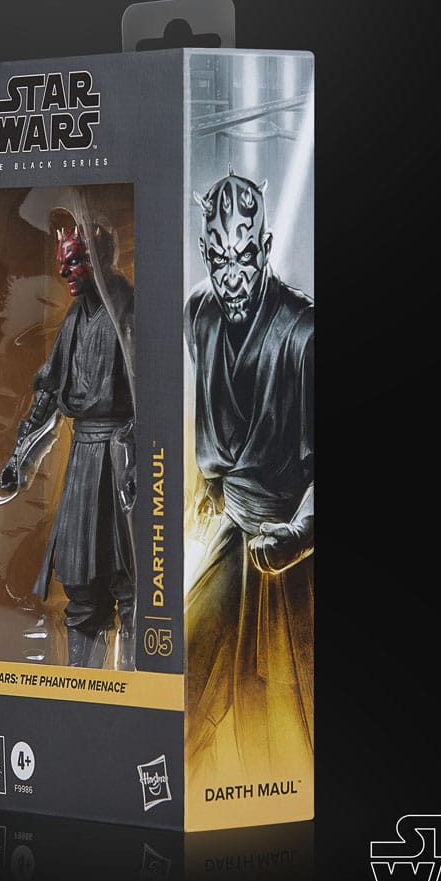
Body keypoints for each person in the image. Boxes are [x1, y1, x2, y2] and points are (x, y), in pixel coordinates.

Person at [185, 169, 314, 775]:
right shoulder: (198, 314)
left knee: (285, 730)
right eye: (219, 259)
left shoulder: (303, 332)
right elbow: (209, 425)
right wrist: (208, 490)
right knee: (188, 689)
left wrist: (299, 533)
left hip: (293, 548)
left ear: (264, 247)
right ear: (204, 252)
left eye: (244, 257)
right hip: (233, 538)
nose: (232, 278)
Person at [0, 223, 135, 669]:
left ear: (99, 257)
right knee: (81, 589)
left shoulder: (130, 310)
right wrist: (20, 456)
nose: (65, 272)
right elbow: (48, 393)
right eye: (63, 263)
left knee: (131, 586)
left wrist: (140, 459)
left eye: (75, 260)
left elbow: (156, 395)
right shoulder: (75, 319)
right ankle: (82, 690)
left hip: (124, 460)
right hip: (83, 463)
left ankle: (137, 688)